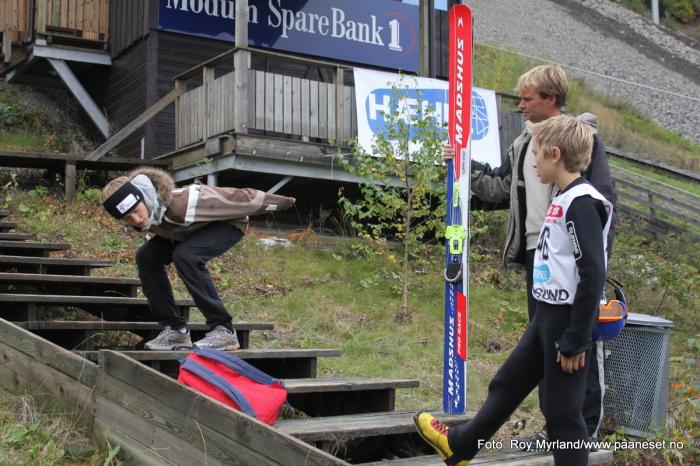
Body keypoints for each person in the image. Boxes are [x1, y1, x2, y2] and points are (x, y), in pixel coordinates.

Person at [416, 114, 614, 465]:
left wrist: (575, 339)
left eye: (536, 154)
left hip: (566, 324)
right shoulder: (563, 196)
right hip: (546, 317)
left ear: (554, 154)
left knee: (563, 413)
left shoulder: (582, 202)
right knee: (507, 384)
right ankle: (460, 446)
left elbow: (593, 273)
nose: (532, 162)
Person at [100, 167, 295, 351]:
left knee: (185, 255)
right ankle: (176, 330)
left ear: (143, 197)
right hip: (188, 233)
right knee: (146, 256)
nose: (135, 220)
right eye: (127, 218)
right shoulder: (150, 216)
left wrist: (278, 201)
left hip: (229, 224)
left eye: (135, 211)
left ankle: (223, 329)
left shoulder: (184, 203)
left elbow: (235, 197)